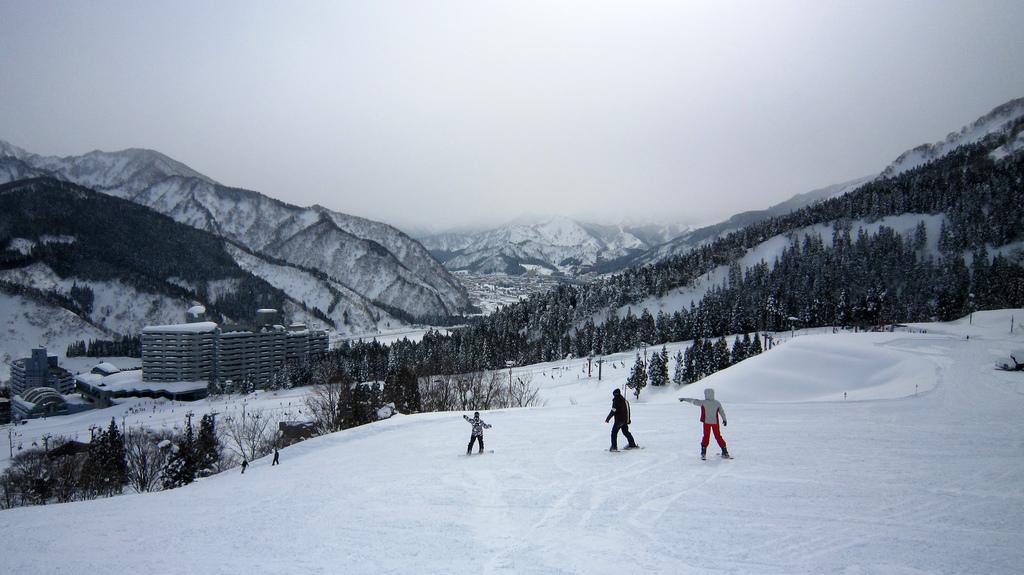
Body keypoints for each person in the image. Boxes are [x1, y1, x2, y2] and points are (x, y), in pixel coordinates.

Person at [679, 388, 729, 459]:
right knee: (718, 436)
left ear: (706, 394)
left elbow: (693, 400)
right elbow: (722, 411)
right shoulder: (717, 403)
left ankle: (703, 453)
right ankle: (725, 452)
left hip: (706, 423)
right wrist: (724, 419)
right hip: (715, 423)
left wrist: (684, 399)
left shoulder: (703, 402)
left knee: (706, 436)